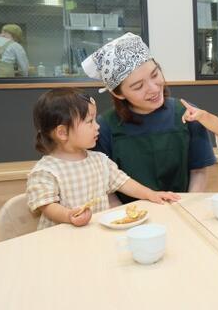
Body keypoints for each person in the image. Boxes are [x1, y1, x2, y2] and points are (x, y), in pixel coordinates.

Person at [81, 33, 216, 203]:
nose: (153, 88)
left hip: (181, 209)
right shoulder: (104, 127)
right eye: (138, 86)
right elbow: (105, 187)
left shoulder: (187, 113)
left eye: (154, 75)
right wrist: (125, 219)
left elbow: (199, 171)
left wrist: (188, 206)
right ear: (118, 93)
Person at [26, 88, 180, 230]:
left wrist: (151, 194)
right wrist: (68, 216)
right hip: (62, 239)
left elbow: (123, 182)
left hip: (96, 233)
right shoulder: (46, 171)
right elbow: (46, 205)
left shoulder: (99, 160)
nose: (97, 126)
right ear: (62, 132)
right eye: (89, 121)